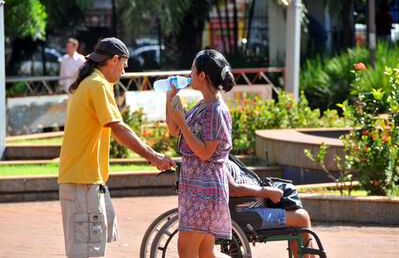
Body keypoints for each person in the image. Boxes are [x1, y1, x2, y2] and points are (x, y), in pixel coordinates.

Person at [58, 37, 175, 258]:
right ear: (113, 60)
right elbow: (118, 128)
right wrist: (154, 156)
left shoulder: (89, 81)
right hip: (83, 183)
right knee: (88, 252)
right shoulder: (97, 84)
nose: (124, 72)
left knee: (90, 247)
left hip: (83, 180)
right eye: (124, 65)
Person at [166, 49, 235, 258]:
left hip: (204, 188)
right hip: (197, 186)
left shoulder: (216, 110)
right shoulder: (204, 104)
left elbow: (205, 153)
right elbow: (173, 129)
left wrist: (181, 123)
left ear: (202, 76)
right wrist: (170, 98)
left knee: (187, 250)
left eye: (192, 71)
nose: (190, 75)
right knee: (205, 253)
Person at [224, 160, 315, 258]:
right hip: (245, 214)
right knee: (301, 217)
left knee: (296, 212)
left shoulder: (222, 157)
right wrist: (266, 192)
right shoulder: (218, 161)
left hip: (254, 207)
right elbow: (233, 190)